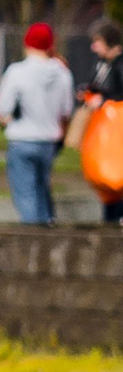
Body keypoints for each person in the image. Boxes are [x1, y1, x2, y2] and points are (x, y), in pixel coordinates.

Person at [0, 22, 75, 225]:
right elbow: (67, 110)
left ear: (27, 43)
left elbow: (3, 108)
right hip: (48, 141)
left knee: (26, 194)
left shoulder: (17, 71)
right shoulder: (63, 73)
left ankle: (34, 240)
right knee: (41, 189)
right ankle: (47, 228)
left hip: (22, 139)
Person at [85, 19, 123, 222]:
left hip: (117, 134)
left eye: (97, 42)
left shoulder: (119, 65)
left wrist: (105, 100)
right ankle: (110, 218)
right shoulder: (101, 65)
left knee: (117, 174)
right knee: (106, 179)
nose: (93, 47)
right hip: (102, 133)